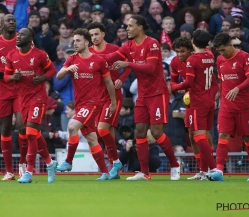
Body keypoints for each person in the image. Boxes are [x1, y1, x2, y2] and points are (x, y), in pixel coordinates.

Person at [104, 15, 180, 181]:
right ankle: (144, 173)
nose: (127, 29)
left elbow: (151, 68)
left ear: (140, 27)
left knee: (156, 132)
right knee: (139, 131)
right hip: (143, 95)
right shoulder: (128, 45)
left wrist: (127, 64)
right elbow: (111, 57)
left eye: (130, 26)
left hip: (157, 93)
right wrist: (89, 59)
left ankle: (175, 165)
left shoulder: (152, 43)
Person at [56, 28, 117, 180]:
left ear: (86, 42)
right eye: (74, 41)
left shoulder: (98, 60)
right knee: (91, 139)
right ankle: (105, 172)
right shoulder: (72, 59)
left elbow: (109, 83)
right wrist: (67, 69)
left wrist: (113, 102)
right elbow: (58, 76)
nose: (75, 43)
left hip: (93, 103)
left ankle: (68, 161)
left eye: (78, 40)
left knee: (71, 126)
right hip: (80, 104)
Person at [4, 27, 57, 183]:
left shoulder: (39, 54)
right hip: (23, 99)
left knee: (30, 133)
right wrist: (13, 76)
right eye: (18, 34)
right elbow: (6, 76)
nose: (18, 37)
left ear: (30, 39)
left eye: (22, 35)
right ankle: (50, 163)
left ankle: (28, 172)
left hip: (38, 97)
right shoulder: (12, 56)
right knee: (35, 134)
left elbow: (52, 70)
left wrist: (42, 78)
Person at [207, 33, 249, 182]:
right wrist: (216, 95)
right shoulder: (220, 60)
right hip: (226, 106)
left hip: (244, 106)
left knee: (248, 138)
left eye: (223, 50)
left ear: (230, 45)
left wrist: (237, 88)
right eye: (218, 51)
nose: (221, 53)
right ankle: (219, 171)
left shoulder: (244, 56)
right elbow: (222, 81)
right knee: (222, 135)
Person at [85, 22, 132, 179]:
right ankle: (112, 170)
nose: (94, 38)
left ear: (103, 34)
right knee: (107, 134)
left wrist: (121, 79)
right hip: (96, 98)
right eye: (91, 35)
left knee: (102, 130)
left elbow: (129, 64)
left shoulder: (114, 49)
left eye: (96, 34)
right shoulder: (88, 52)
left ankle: (116, 163)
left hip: (113, 97)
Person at [171, 30, 218, 179]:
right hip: (195, 101)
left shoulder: (193, 60)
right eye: (177, 52)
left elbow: (188, 82)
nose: (179, 54)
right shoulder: (209, 55)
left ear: (191, 47)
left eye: (182, 51)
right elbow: (173, 79)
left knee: (200, 136)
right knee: (192, 135)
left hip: (198, 101)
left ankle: (214, 169)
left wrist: (176, 87)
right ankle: (203, 171)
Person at [0, 14, 26, 181]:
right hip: (2, 91)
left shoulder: (23, 40)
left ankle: (23, 166)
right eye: (8, 20)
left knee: (23, 126)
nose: (12, 22)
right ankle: (9, 171)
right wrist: (8, 74)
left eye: (13, 20)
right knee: (5, 129)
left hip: (21, 90)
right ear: (1, 24)